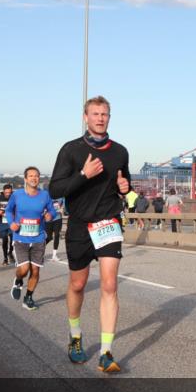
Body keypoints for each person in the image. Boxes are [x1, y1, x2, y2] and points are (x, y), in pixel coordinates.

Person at [49, 95, 130, 374]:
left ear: (109, 117)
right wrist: (83, 174)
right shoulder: (71, 150)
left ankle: (106, 352)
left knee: (109, 285)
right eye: (95, 114)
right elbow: (55, 190)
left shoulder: (120, 152)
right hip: (79, 226)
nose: (100, 118)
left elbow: (125, 187)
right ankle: (75, 335)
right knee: (78, 285)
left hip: (108, 222)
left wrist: (124, 188)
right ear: (86, 117)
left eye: (104, 114)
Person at [7, 166, 58, 310]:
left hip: (38, 237)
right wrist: (11, 223)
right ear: (25, 179)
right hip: (21, 237)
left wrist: (50, 215)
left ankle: (28, 297)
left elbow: (52, 210)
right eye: (31, 176)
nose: (34, 178)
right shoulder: (17, 195)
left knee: (35, 270)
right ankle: (18, 281)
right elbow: (9, 210)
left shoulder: (45, 195)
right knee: (24, 269)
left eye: (36, 176)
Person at [0, 184, 14, 265]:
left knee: (13, 241)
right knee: (5, 240)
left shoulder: (14, 197)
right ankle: (5, 258)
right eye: (6, 192)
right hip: (2, 222)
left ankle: (10, 252)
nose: (8, 194)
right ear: (3, 191)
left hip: (12, 222)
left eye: (9, 192)